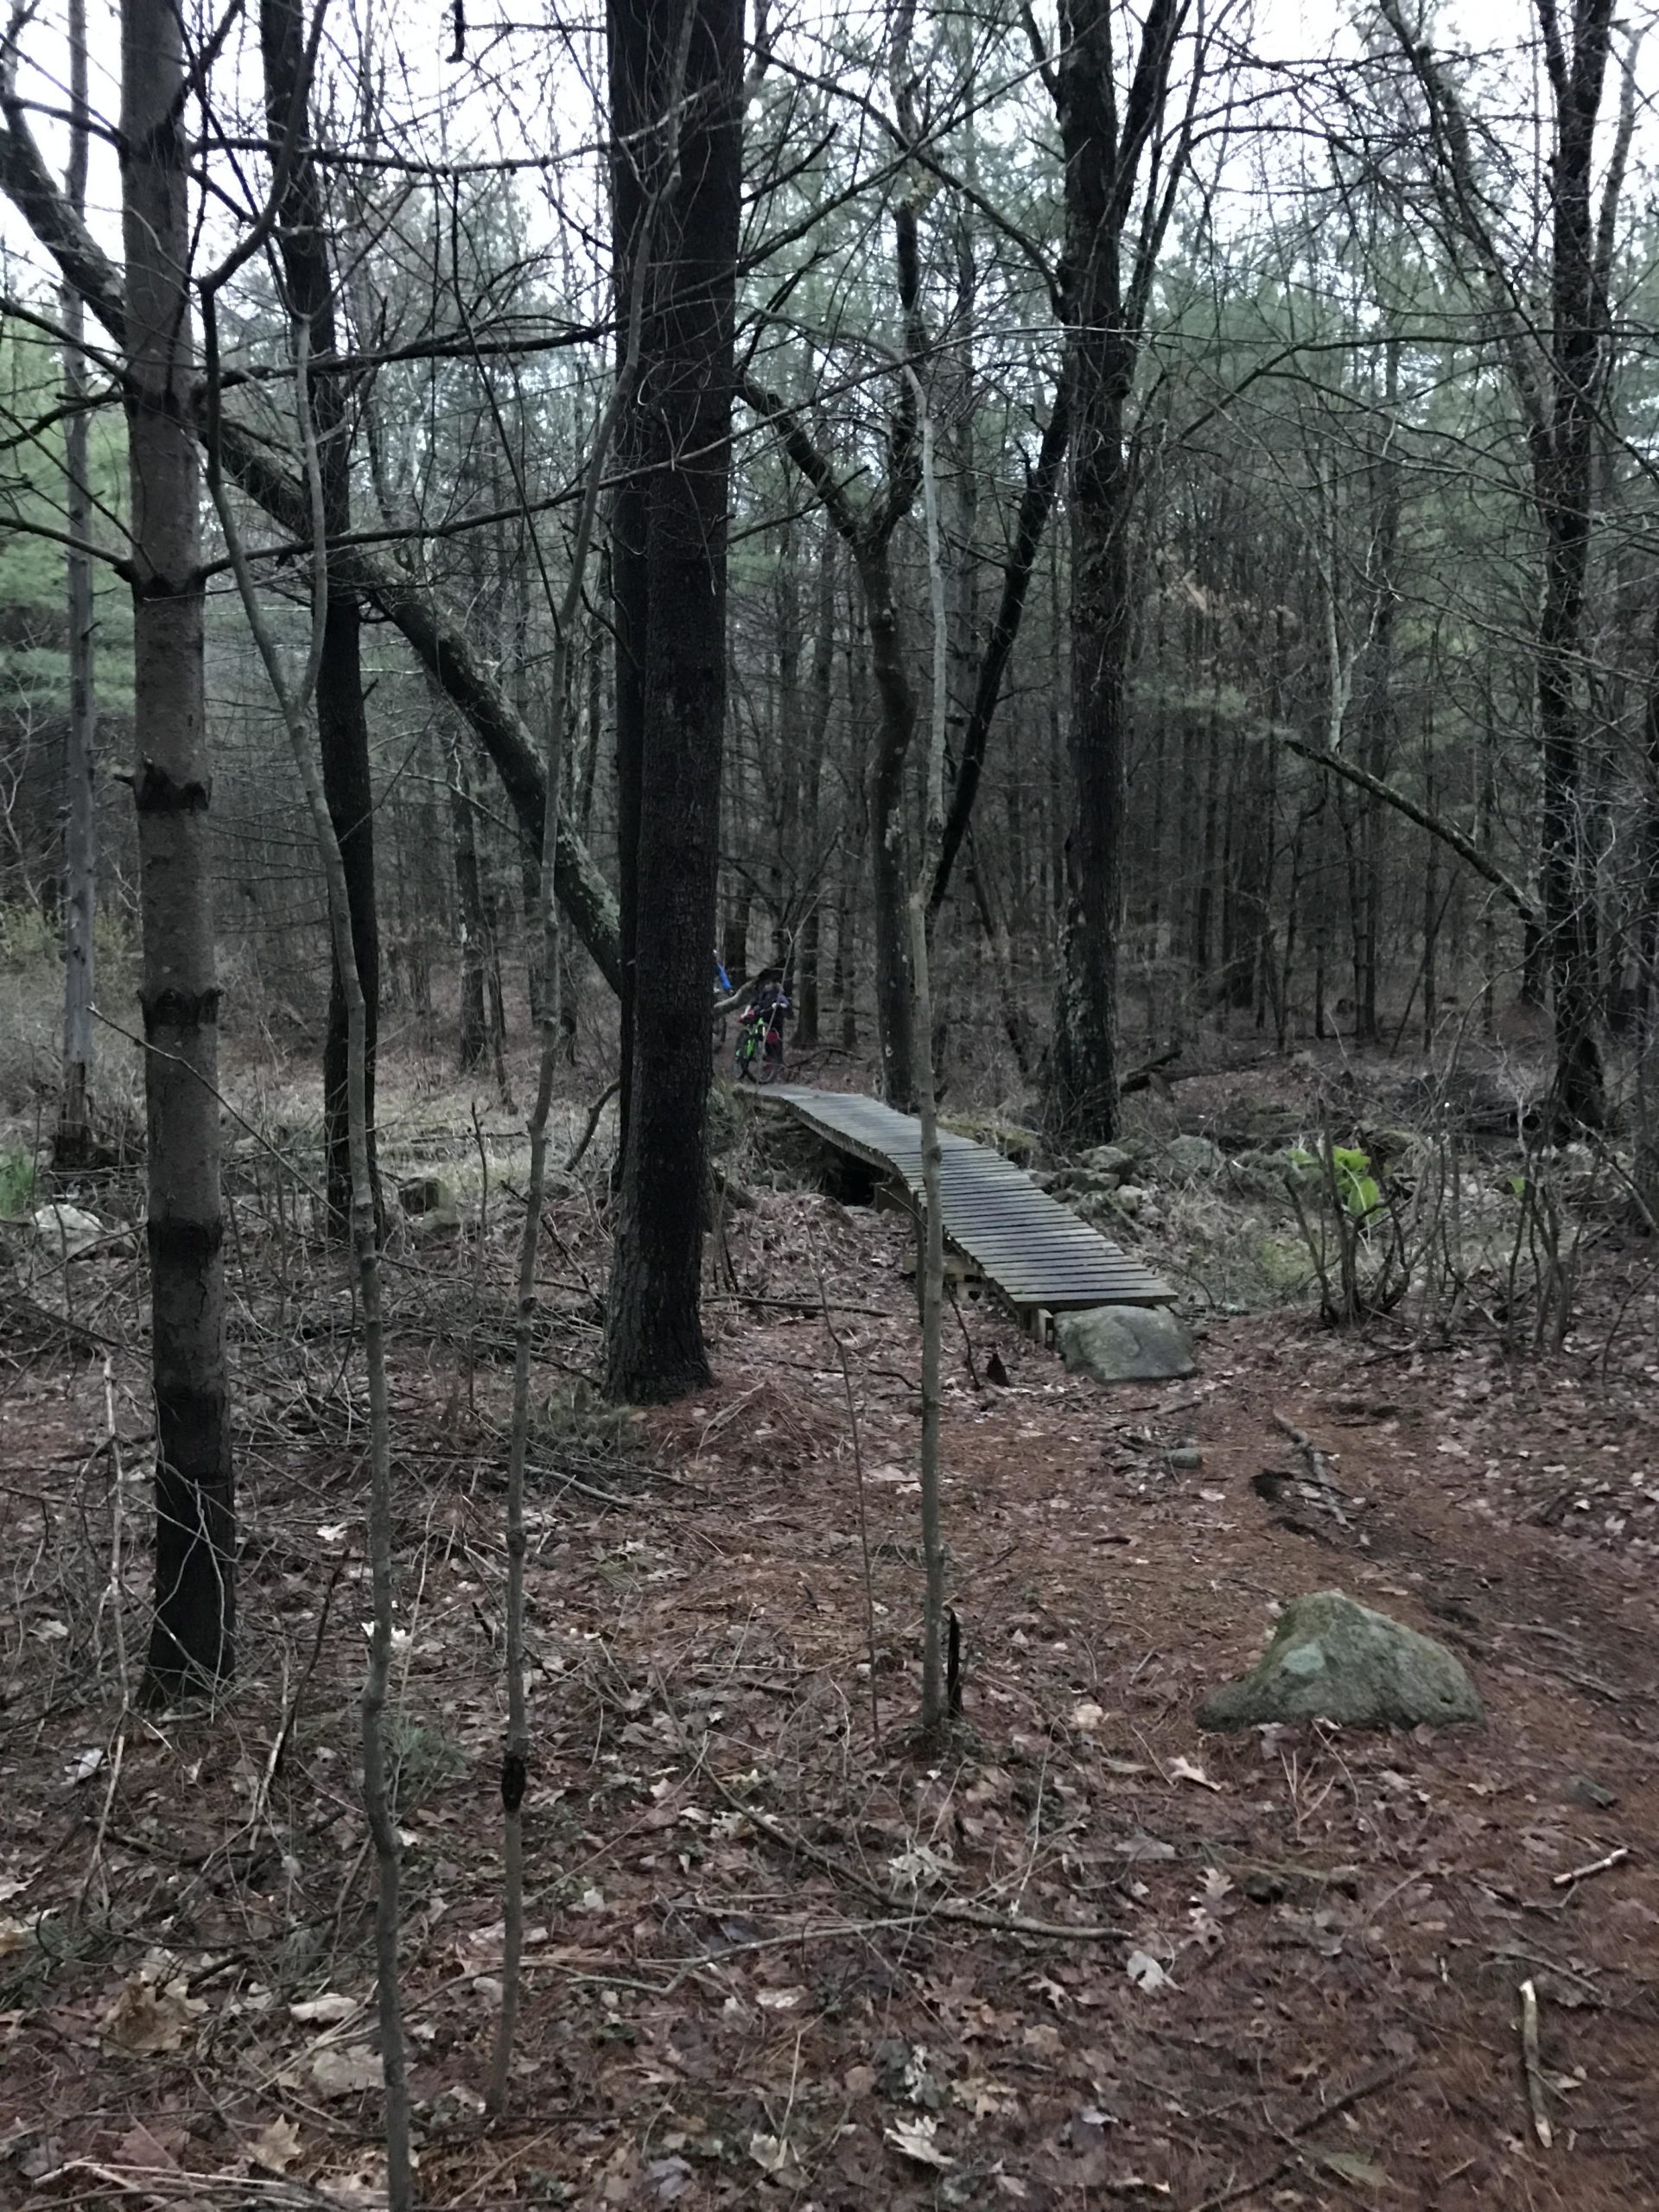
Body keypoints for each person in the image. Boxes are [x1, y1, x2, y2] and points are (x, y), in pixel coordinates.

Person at [736, 968, 790, 1077]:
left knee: (772, 1043)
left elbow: (786, 1003)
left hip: (774, 1021)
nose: (766, 986)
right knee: (758, 1034)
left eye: (768, 983)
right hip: (762, 1017)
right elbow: (752, 1003)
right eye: (766, 983)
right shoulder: (763, 994)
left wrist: (778, 1005)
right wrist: (746, 1013)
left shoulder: (777, 994)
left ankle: (773, 1067)